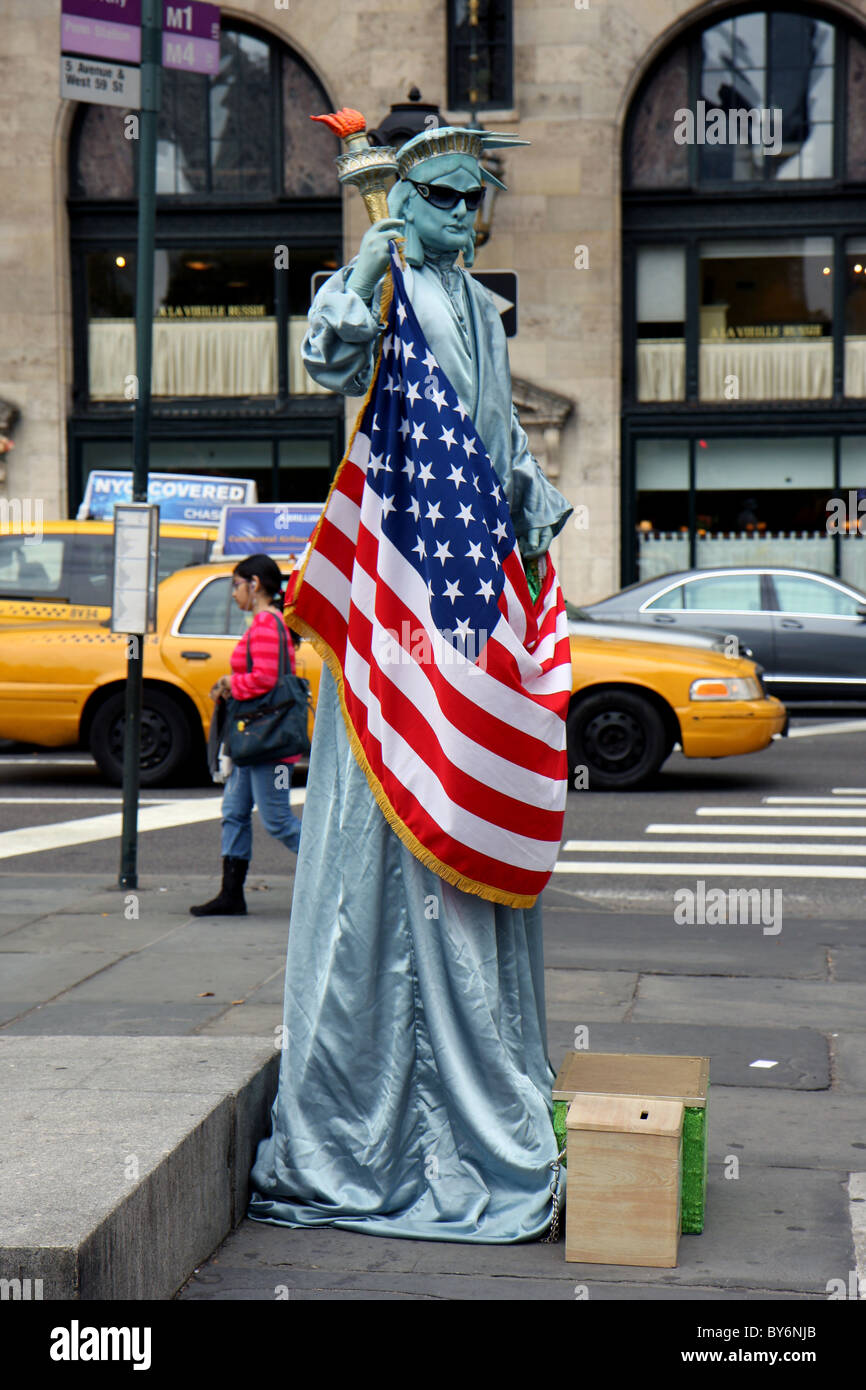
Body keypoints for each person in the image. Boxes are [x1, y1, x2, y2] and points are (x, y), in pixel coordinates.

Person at [247, 126, 572, 1241]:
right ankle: (362, 1119)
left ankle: (480, 1089)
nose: (464, 217)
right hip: (394, 618)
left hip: (467, 604)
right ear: (401, 198)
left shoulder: (479, 309)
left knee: (464, 808)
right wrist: (374, 253)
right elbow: (327, 356)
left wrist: (533, 500)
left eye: (474, 199)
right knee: (375, 841)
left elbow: (494, 441)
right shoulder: (384, 288)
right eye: (441, 197)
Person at [190, 553, 303, 917]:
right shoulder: (266, 622)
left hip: (264, 742)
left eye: (236, 585)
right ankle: (231, 894)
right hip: (251, 739)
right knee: (234, 811)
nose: (234, 593)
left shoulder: (267, 624)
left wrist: (228, 683)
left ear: (255, 584)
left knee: (278, 821)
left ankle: (338, 876)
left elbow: (265, 680)